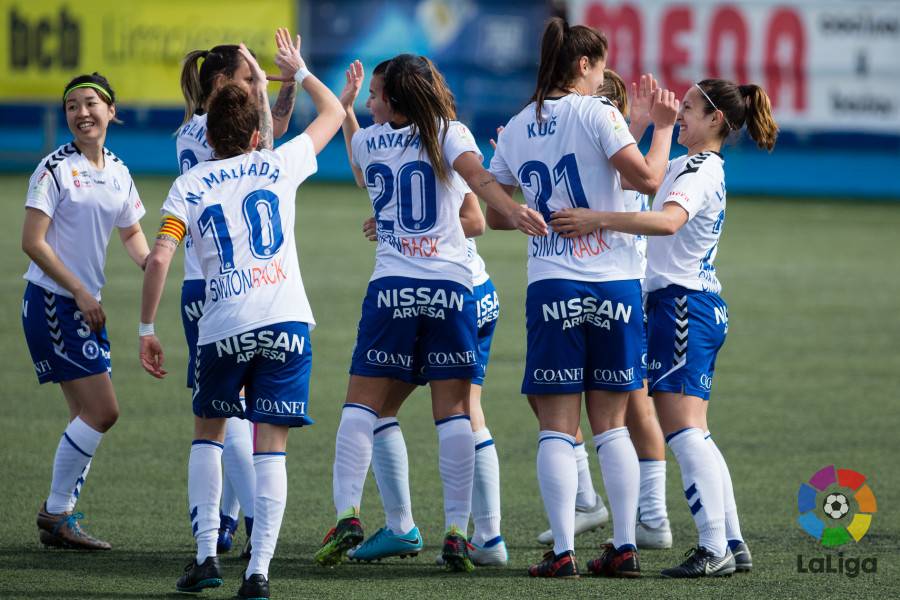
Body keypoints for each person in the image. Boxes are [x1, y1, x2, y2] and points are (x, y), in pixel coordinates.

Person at [315, 53, 545, 573]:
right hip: (451, 289)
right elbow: (480, 180)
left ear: (393, 101)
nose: (370, 103)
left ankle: (347, 513)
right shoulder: (448, 131)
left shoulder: (368, 141)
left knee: (361, 407)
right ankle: (460, 531)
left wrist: (347, 111)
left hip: (393, 288)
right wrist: (512, 209)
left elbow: (360, 166)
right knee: (457, 414)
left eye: (375, 96)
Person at [139, 37, 344, 599]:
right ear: (257, 135)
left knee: (208, 435)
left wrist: (146, 329)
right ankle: (259, 573)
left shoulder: (189, 181)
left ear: (207, 135)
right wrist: (297, 71)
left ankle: (206, 555)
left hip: (219, 320)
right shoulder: (278, 164)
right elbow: (332, 114)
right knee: (269, 445)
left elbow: (159, 256)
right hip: (286, 322)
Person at [550, 78, 778, 577]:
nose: (681, 118)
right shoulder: (687, 164)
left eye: (691, 111)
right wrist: (642, 126)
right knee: (698, 433)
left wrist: (596, 220)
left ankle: (712, 547)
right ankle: (732, 543)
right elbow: (634, 179)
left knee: (685, 435)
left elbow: (668, 222)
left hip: (680, 307)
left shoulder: (697, 168)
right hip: (691, 305)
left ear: (716, 121)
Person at [487, 17, 678, 578]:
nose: (603, 78)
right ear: (582, 65)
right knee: (611, 424)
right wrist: (661, 129)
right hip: (614, 281)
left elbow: (501, 215)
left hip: (552, 284)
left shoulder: (520, 124)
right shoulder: (598, 113)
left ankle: (564, 552)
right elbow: (646, 180)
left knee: (555, 425)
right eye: (599, 67)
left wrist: (530, 213)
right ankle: (623, 546)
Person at [176, 29, 302, 557]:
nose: (259, 85)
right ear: (223, 83)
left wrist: (287, 84)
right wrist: (295, 78)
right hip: (216, 285)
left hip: (216, 282)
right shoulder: (202, 130)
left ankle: (225, 519)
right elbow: (269, 144)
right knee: (230, 412)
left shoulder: (201, 128)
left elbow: (271, 131)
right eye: (250, 77)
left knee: (231, 410)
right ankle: (249, 518)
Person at [22, 73, 149, 550]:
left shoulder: (118, 169)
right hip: (54, 303)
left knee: (84, 416)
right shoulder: (54, 169)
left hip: (82, 305)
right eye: (72, 106)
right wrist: (79, 291)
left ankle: (61, 517)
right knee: (103, 411)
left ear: (111, 111)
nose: (81, 112)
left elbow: (132, 233)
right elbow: (32, 243)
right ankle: (55, 513)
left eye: (91, 103)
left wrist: (152, 261)